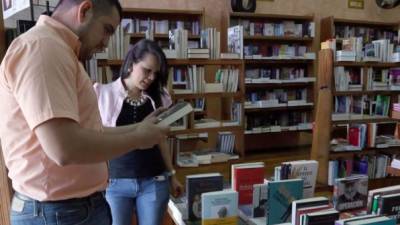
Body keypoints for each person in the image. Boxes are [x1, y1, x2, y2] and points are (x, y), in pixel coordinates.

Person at [0, 1, 169, 225]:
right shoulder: (44, 48)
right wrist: (139, 138)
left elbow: (89, 133)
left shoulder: (61, 51)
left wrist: (139, 128)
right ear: (84, 10)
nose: (106, 43)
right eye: (106, 30)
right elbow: (64, 148)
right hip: (58, 212)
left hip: (68, 209)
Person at [94, 39, 183, 225]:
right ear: (132, 63)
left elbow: (161, 141)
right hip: (116, 182)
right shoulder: (103, 94)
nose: (151, 77)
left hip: (154, 180)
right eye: (147, 70)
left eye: (155, 73)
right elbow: (98, 135)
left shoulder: (161, 97)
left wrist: (172, 175)